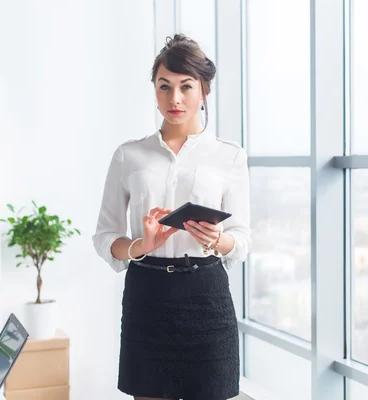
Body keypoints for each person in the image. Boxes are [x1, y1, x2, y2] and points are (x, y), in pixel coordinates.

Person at [92, 34, 251, 400]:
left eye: (185, 87)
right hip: (147, 298)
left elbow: (241, 239)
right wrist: (139, 245)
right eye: (164, 87)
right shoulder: (127, 156)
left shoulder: (229, 156)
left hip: (207, 297)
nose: (174, 99)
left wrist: (216, 238)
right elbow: (104, 237)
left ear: (204, 89)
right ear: (154, 89)